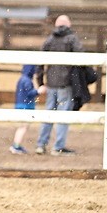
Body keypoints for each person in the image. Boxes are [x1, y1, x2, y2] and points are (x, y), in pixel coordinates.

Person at [35, 15, 82, 156]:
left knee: (49, 114)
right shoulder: (72, 39)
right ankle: (58, 146)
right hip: (65, 83)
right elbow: (81, 56)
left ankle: (41, 144)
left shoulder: (50, 40)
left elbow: (40, 62)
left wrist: (40, 82)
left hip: (51, 83)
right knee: (63, 115)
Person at [9, 64, 43, 154]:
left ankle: (16, 145)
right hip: (25, 107)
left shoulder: (22, 79)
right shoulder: (27, 81)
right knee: (23, 127)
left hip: (20, 106)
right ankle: (16, 146)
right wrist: (38, 91)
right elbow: (30, 93)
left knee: (21, 127)